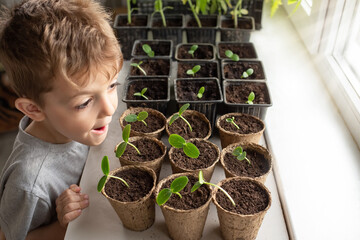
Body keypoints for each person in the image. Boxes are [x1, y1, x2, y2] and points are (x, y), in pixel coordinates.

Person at [0, 0, 123, 239]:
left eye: (112, 85)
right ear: (34, 109)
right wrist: (62, 225)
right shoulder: (29, 184)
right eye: (84, 103)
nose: (109, 109)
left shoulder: (73, 125)